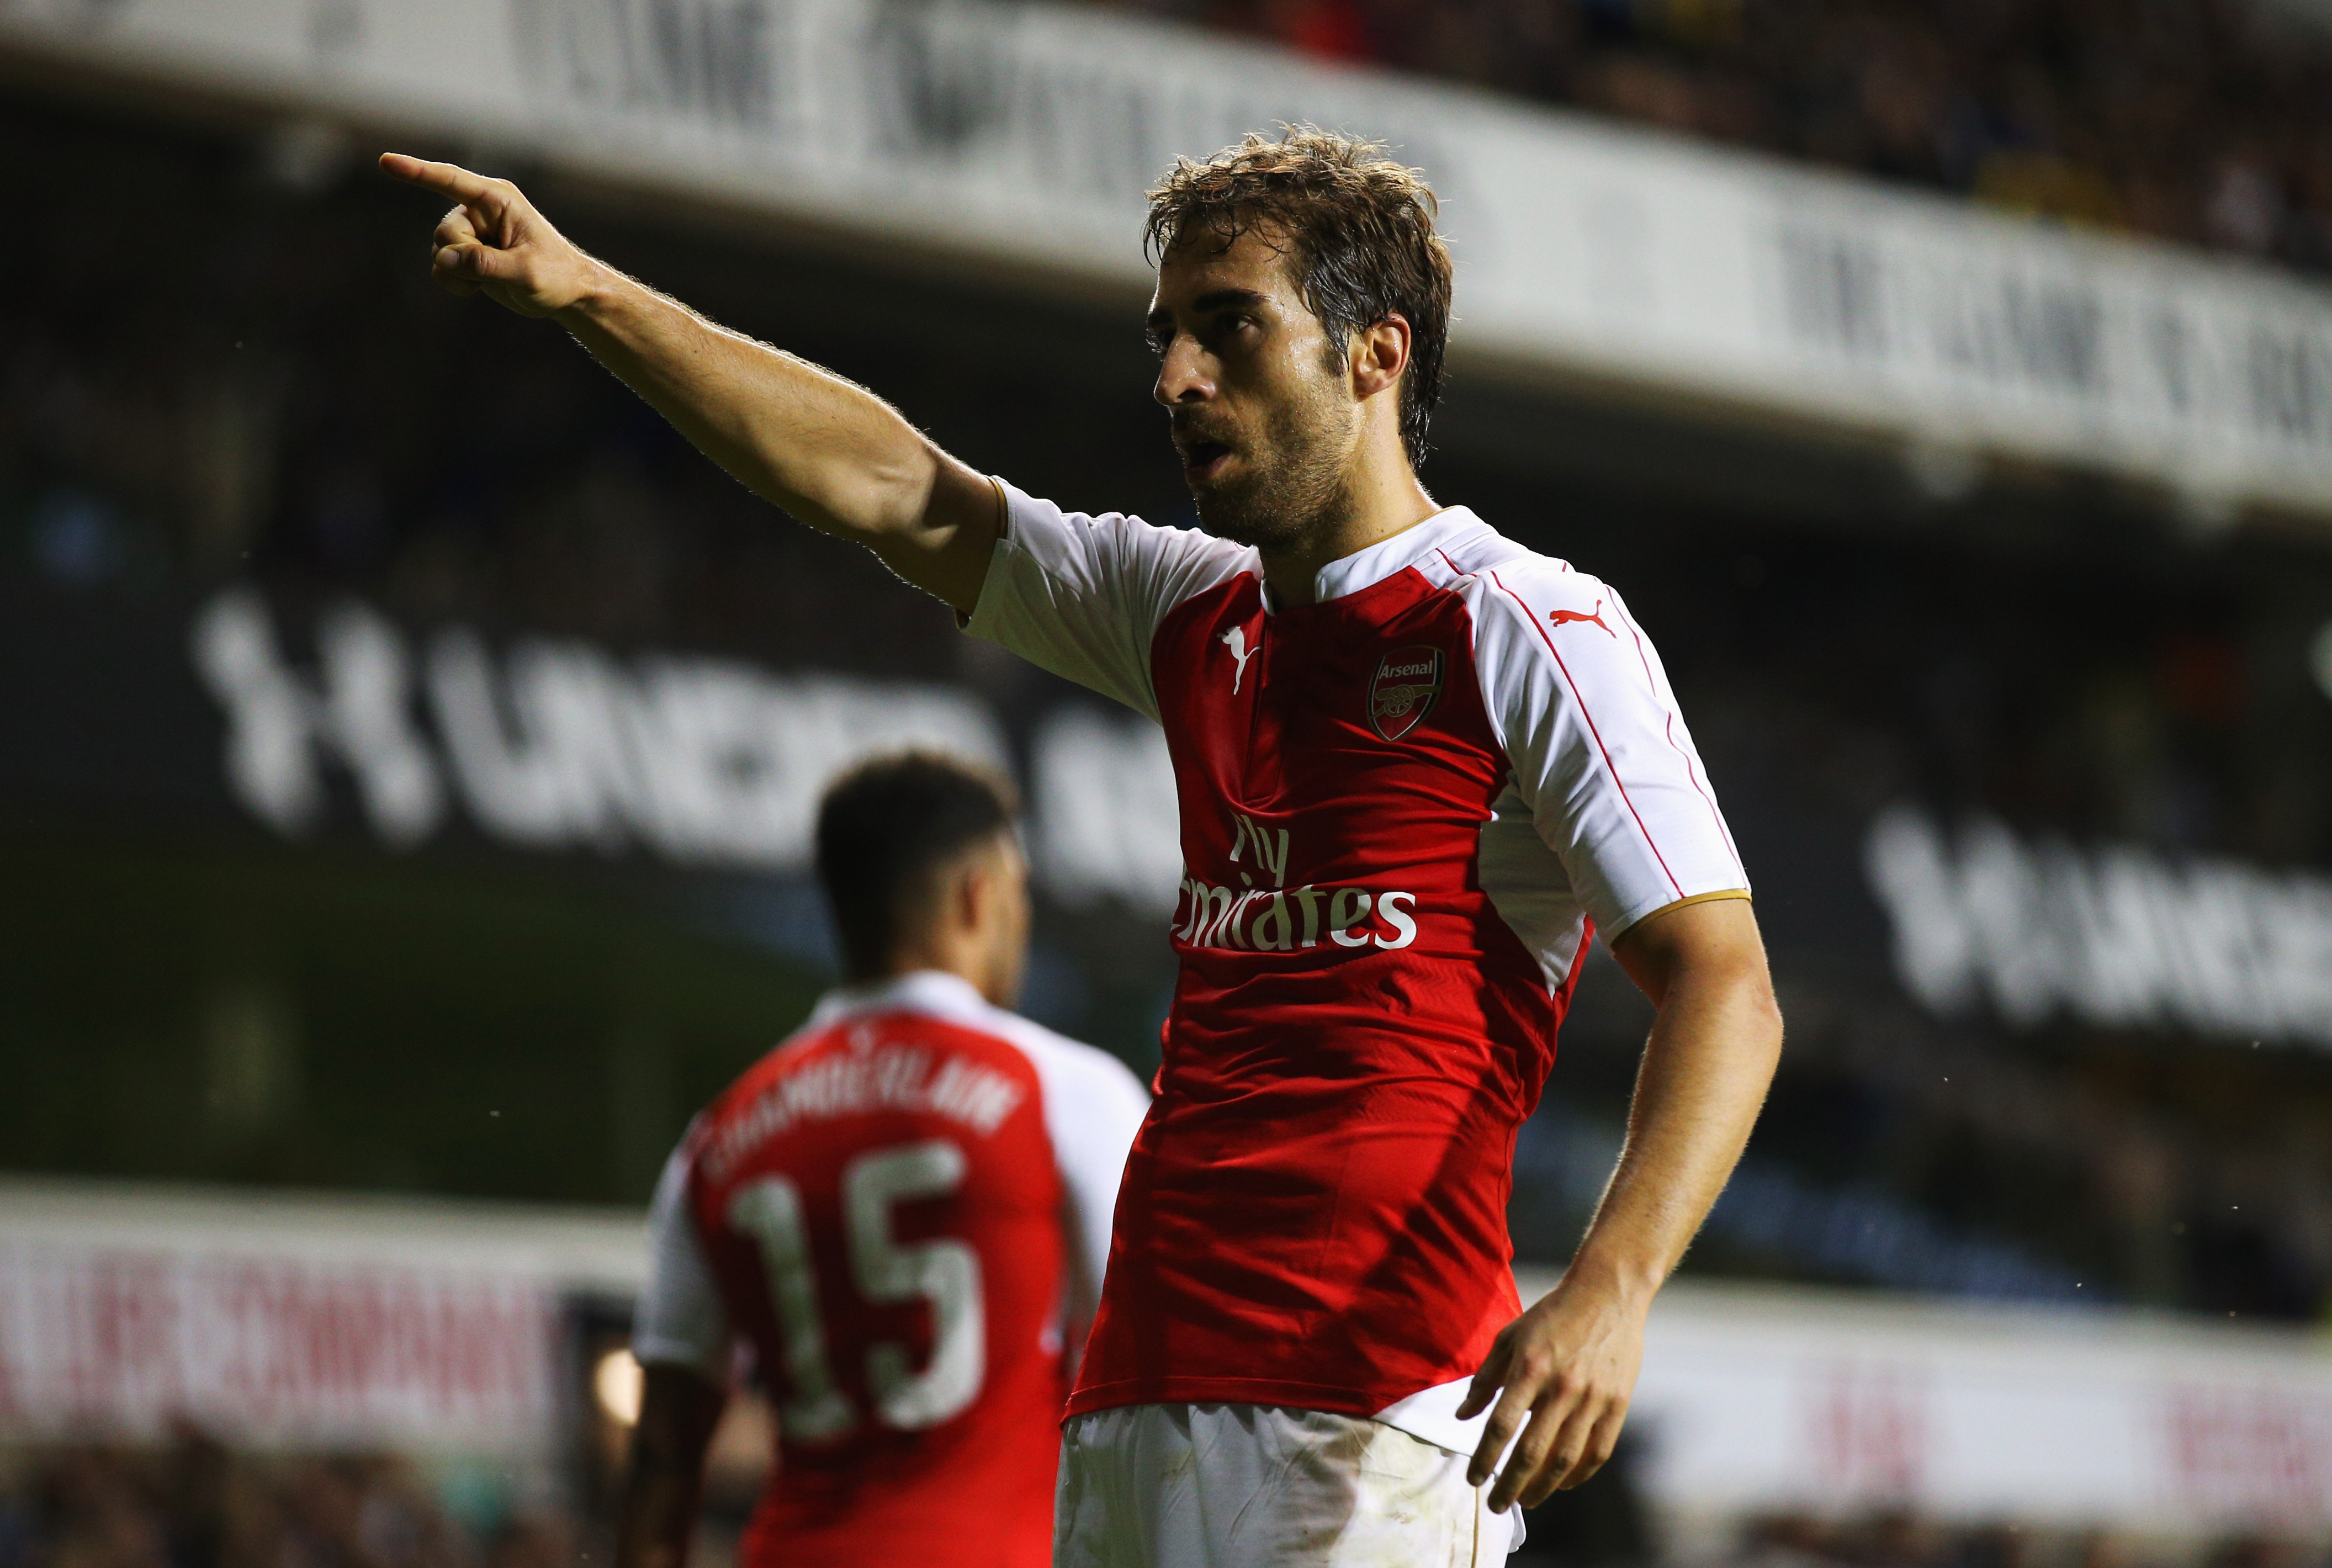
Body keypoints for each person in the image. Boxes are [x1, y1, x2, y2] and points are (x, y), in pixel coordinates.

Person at [385, 125, 1785, 1567]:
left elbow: (1725, 986)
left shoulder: (1528, 627)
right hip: (1130, 1402)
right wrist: (591, 297)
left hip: (1375, 1408)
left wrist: (1612, 1289)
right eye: (1166, 337)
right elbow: (895, 491)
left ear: (1376, 356)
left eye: (1230, 328)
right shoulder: (1193, 612)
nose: (1179, 379)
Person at [618, 753, 1150, 1568]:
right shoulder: (1063, 1090)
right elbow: (1156, 1379)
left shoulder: (718, 1136)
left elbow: (662, 1454)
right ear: (980, 894)